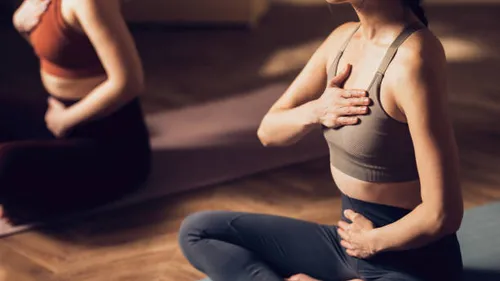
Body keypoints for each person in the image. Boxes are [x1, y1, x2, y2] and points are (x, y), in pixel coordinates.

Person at [178, 0, 464, 280]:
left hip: (410, 262)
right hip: (346, 244)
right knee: (198, 231)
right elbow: (269, 131)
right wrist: (317, 110)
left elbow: (442, 214)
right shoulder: (342, 39)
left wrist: (372, 241)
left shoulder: (414, 58)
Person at [1, 0, 151, 223]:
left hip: (110, 142)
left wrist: (65, 121)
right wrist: (23, 26)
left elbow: (129, 83)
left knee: (4, 162)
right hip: (60, 116)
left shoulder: (89, 2)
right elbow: (60, 49)